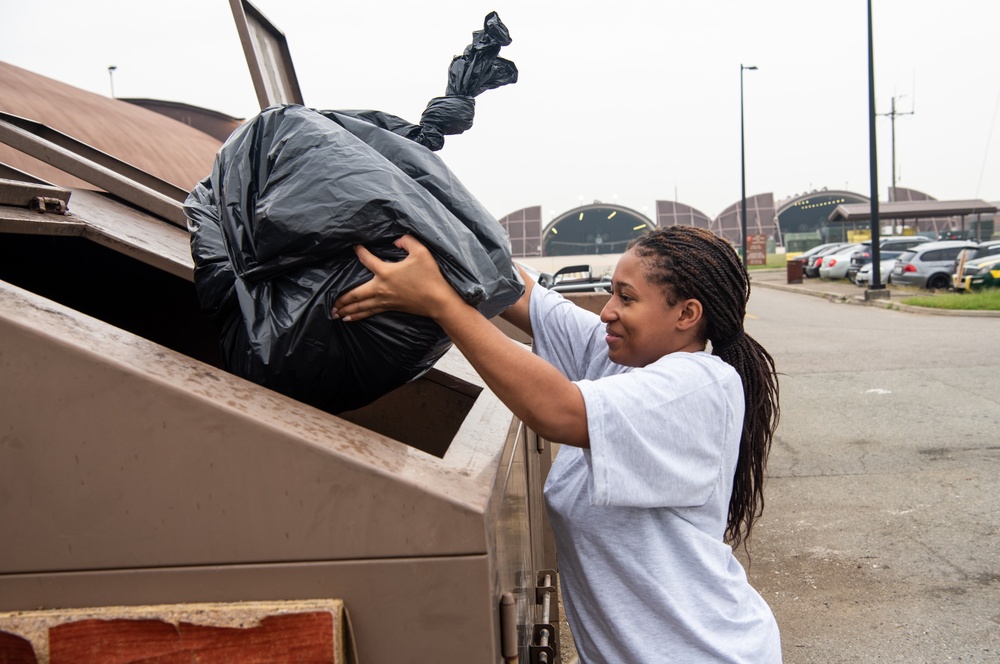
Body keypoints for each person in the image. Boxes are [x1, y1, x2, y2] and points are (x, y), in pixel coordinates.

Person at [333, 225, 782, 663]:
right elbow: (521, 291)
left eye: (626, 298)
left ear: (686, 315)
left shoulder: (695, 386)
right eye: (611, 293)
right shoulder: (620, 360)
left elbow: (556, 411)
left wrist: (441, 303)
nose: (607, 310)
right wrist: (426, 215)